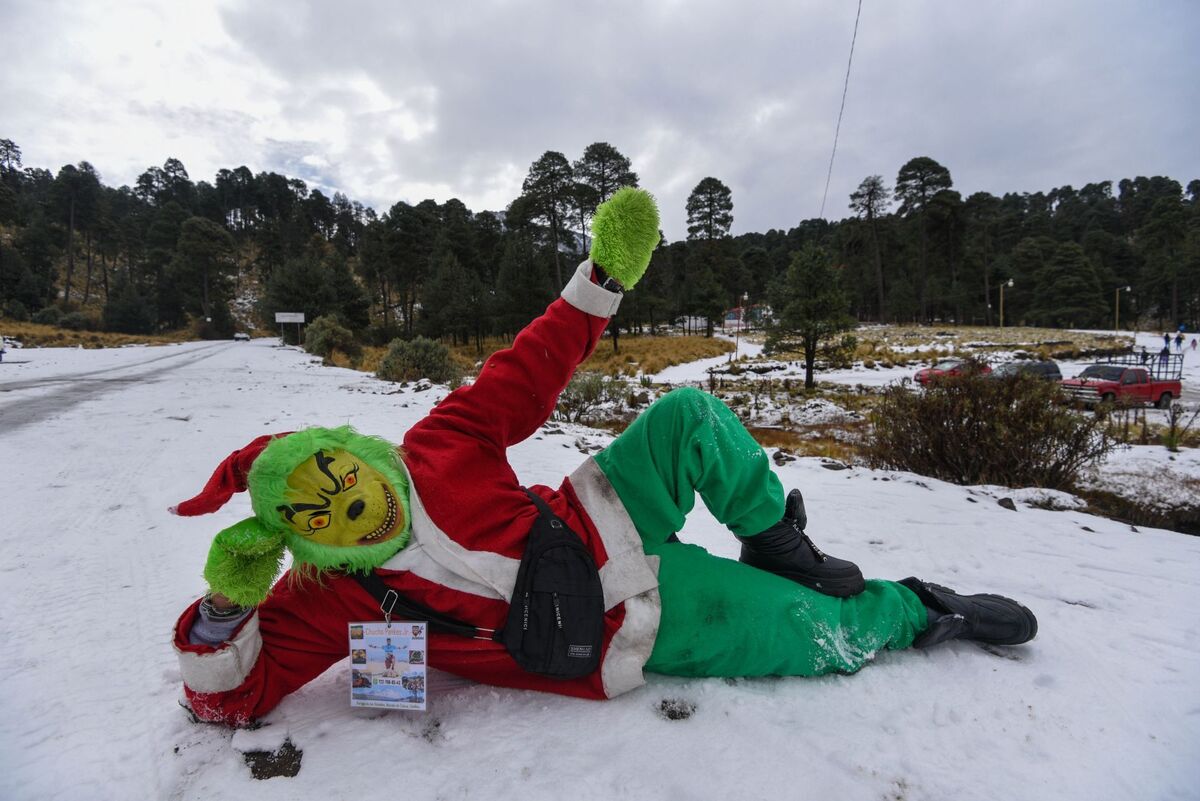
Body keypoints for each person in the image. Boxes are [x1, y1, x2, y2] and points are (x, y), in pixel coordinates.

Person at [170, 189, 1036, 727]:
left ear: (352, 451)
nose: (349, 504)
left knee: (691, 414)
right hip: (631, 624)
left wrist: (600, 283)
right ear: (293, 537)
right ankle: (920, 610)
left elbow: (525, 370)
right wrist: (221, 607)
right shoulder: (322, 597)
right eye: (315, 513)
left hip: (597, 515)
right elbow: (228, 698)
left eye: (340, 475)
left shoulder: (432, 444)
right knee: (818, 634)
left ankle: (778, 540)